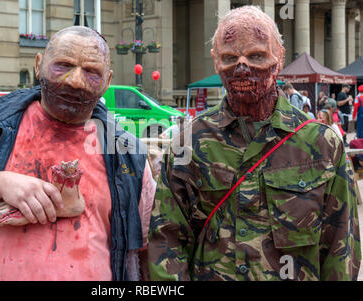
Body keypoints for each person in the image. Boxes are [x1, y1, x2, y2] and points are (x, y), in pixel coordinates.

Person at [0, 26, 156, 281]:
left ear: (107, 81)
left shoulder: (127, 154)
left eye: (91, 72)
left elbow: (143, 249)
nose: (75, 80)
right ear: (39, 65)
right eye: (63, 65)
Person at [148, 5, 360, 281]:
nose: (242, 68)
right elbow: (166, 241)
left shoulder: (323, 145)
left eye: (256, 56)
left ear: (279, 58)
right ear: (215, 61)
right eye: (229, 57)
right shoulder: (188, 144)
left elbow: (340, 248)